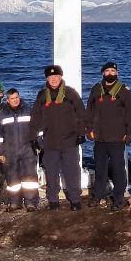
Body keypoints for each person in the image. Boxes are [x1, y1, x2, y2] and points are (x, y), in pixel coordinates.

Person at [31, 64, 87, 211]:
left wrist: (82, 133)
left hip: (70, 141)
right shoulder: (42, 95)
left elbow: (81, 113)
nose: (54, 79)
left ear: (61, 77)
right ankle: (53, 200)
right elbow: (35, 118)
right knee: (51, 171)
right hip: (50, 142)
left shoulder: (70, 93)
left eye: (56, 76)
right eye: (51, 77)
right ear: (47, 79)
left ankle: (75, 200)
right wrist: (33, 138)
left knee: (72, 171)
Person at [87, 61, 131, 210]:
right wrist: (89, 129)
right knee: (100, 168)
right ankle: (98, 195)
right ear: (103, 73)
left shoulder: (124, 91)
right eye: (107, 71)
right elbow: (89, 111)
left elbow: (130, 114)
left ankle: (119, 198)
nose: (110, 74)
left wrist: (130, 133)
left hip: (117, 137)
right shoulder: (96, 89)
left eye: (112, 71)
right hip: (100, 137)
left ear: (117, 73)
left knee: (118, 169)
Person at [0, 88, 39, 210]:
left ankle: (30, 202)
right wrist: (0, 152)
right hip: (9, 151)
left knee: (29, 177)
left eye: (17, 97)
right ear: (7, 100)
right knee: (12, 178)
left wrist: (38, 145)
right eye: (12, 98)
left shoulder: (28, 111)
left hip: (27, 149)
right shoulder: (2, 115)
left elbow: (36, 129)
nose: (15, 100)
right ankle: (15, 202)